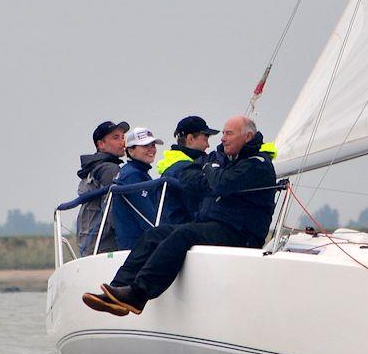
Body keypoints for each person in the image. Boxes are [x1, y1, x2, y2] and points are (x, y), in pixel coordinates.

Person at [82, 115, 277, 316]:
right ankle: (118, 291)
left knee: (182, 235)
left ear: (248, 137)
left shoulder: (257, 163)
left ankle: (139, 294)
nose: (222, 139)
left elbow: (221, 183)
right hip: (216, 223)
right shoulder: (227, 160)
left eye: (229, 133)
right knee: (154, 234)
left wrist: (211, 168)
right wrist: (212, 169)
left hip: (240, 232)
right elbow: (194, 179)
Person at [76, 120, 129, 256]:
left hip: (89, 242)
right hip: (105, 245)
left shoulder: (93, 167)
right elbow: (113, 209)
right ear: (101, 144)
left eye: (123, 137)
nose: (122, 142)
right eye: (115, 138)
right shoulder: (109, 169)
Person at [156, 116, 220, 224]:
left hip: (169, 230)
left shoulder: (171, 165)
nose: (208, 145)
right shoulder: (186, 169)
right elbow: (196, 207)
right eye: (205, 139)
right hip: (184, 233)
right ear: (190, 138)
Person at [111, 127, 164, 250]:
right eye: (145, 146)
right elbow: (148, 219)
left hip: (140, 245)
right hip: (136, 248)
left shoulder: (138, 173)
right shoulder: (131, 175)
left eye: (153, 145)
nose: (151, 150)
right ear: (131, 150)